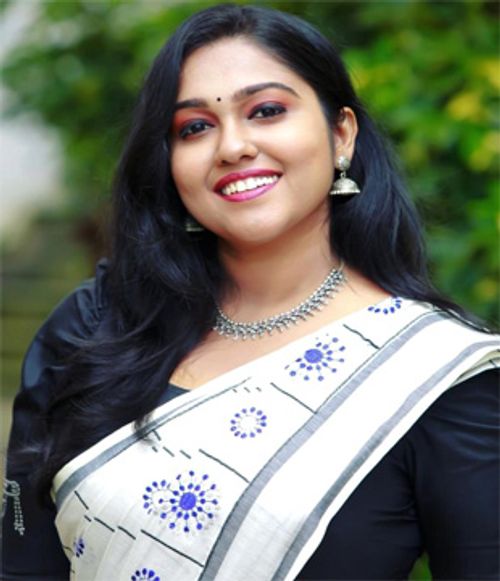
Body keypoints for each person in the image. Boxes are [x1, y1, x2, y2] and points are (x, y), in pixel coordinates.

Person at [2, 4, 499, 580]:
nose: (233, 146)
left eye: (266, 111)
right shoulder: (95, 327)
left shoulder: (432, 374)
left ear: (341, 134)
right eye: (194, 127)